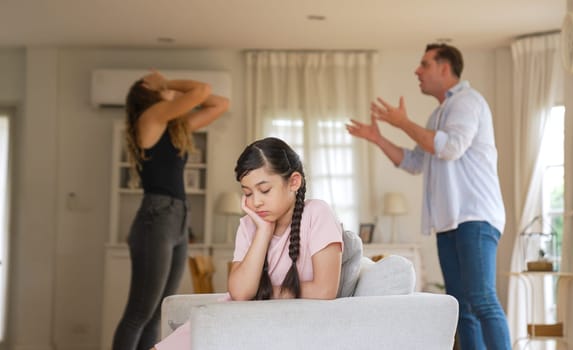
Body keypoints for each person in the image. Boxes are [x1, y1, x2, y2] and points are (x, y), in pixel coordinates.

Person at [346, 43, 511, 349]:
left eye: (424, 64)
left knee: (482, 299)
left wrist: (402, 122)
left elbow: (449, 148)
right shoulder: (439, 115)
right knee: (462, 307)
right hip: (449, 222)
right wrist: (379, 137)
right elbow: (415, 161)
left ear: (444, 68)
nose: (417, 71)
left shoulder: (467, 102)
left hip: (475, 216)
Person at [152, 137, 343, 350]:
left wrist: (267, 292)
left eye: (265, 190)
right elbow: (241, 293)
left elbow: (325, 290)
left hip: (270, 323)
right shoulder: (249, 225)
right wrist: (263, 231)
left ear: (294, 182)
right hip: (238, 317)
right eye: (248, 193)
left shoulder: (317, 213)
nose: (256, 202)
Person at [113, 70, 230, 350]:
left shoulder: (175, 128)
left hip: (177, 218)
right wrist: (168, 85)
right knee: (138, 313)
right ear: (148, 92)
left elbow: (220, 103)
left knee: (156, 313)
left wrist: (166, 86)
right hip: (157, 218)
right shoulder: (150, 119)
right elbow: (201, 90)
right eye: (159, 83)